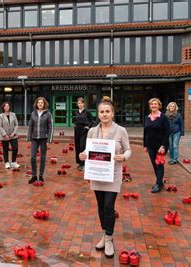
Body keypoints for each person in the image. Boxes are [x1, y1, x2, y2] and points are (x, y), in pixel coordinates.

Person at [79, 97, 131, 258]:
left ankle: (109, 238)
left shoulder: (121, 130)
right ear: (98, 114)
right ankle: (105, 234)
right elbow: (89, 151)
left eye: (107, 111)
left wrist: (124, 156)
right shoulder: (92, 131)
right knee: (101, 206)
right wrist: (83, 156)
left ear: (113, 113)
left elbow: (128, 149)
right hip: (97, 174)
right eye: (102, 112)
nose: (104, 114)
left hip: (113, 175)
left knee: (109, 206)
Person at [143, 98, 170, 193]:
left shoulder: (163, 117)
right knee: (154, 164)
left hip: (160, 146)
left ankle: (158, 184)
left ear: (159, 105)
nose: (153, 105)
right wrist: (145, 145)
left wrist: (163, 145)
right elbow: (145, 132)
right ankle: (160, 182)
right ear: (149, 106)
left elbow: (167, 133)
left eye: (155, 104)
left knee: (159, 164)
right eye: (152, 104)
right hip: (150, 145)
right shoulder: (147, 117)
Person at [27, 97, 53, 184]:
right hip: (34, 138)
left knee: (43, 158)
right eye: (39, 103)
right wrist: (29, 138)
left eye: (42, 103)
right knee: (32, 157)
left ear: (44, 104)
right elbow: (30, 126)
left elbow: (51, 127)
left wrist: (49, 140)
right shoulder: (33, 114)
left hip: (43, 139)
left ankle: (41, 175)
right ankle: (34, 176)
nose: (40, 104)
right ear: (36, 104)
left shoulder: (48, 114)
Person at [73, 97, 95, 171]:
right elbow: (75, 120)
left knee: (82, 146)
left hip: (84, 131)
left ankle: (83, 164)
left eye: (81, 103)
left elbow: (92, 121)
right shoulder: (75, 112)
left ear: (83, 104)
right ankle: (79, 162)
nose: (80, 104)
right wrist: (75, 125)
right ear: (77, 104)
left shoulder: (87, 112)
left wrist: (88, 127)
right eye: (79, 103)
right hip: (77, 131)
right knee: (77, 146)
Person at [0, 101, 20, 169]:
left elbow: (16, 124)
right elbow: (0, 126)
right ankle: (7, 162)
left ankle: (13, 162)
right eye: (5, 106)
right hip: (5, 136)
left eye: (7, 106)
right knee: (5, 149)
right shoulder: (1, 116)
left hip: (13, 135)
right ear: (3, 108)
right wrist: (4, 135)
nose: (6, 107)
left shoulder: (13, 114)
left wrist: (14, 133)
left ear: (9, 107)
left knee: (15, 148)